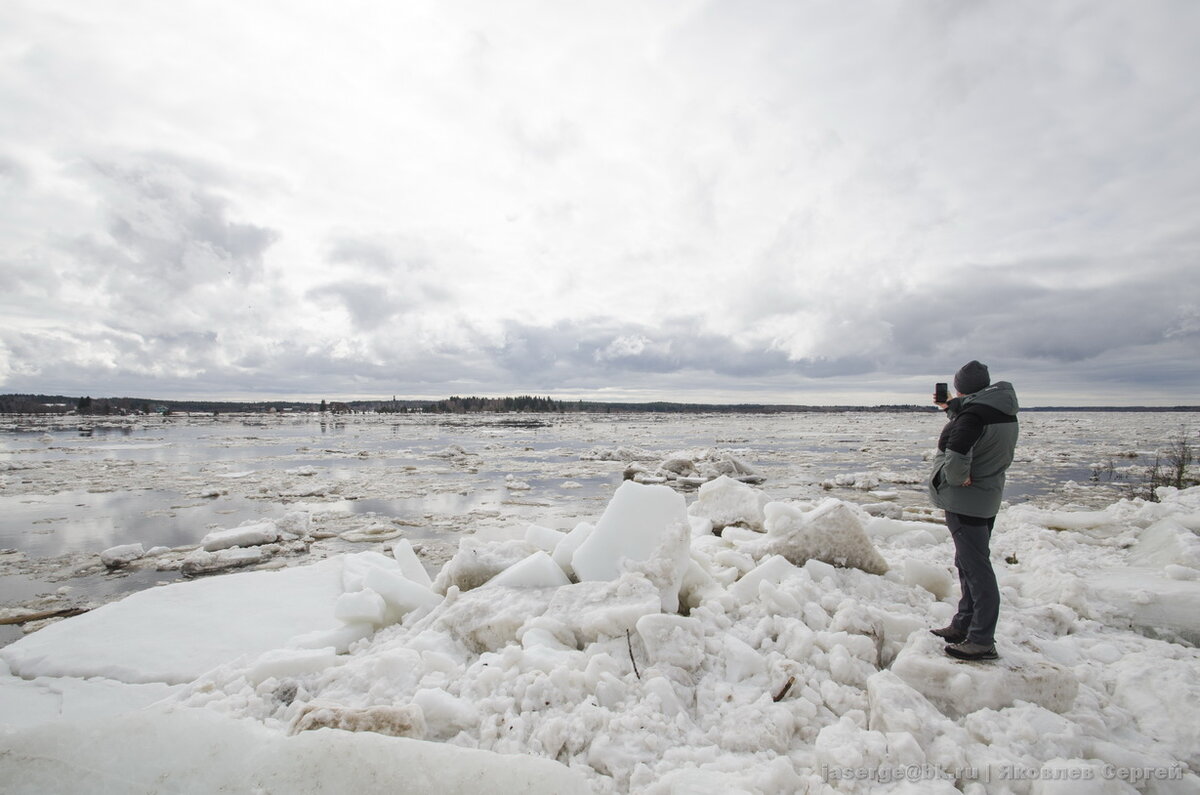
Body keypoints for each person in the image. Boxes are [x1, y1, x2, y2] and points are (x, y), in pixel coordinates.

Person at [927, 360, 1019, 661]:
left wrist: (950, 476)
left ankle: (981, 640)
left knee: (977, 571)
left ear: (961, 387)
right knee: (968, 564)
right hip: (985, 498)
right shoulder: (999, 409)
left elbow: (955, 468)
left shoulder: (972, 419)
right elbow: (977, 424)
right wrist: (954, 409)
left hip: (965, 503)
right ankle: (963, 624)